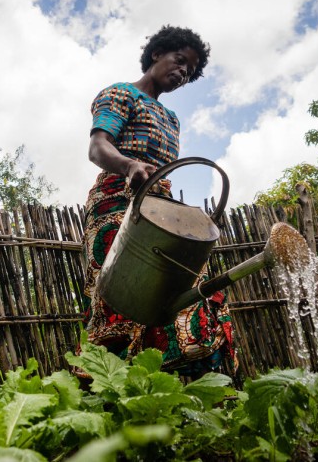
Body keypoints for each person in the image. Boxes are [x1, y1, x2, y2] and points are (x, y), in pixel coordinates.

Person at [80, 25, 237, 378]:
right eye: (179, 61)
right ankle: (109, 393)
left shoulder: (171, 119)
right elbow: (98, 146)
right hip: (117, 204)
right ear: (157, 54)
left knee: (188, 290)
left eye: (190, 71)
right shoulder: (120, 94)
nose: (183, 72)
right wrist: (129, 164)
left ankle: (180, 389)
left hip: (162, 210)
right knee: (121, 298)